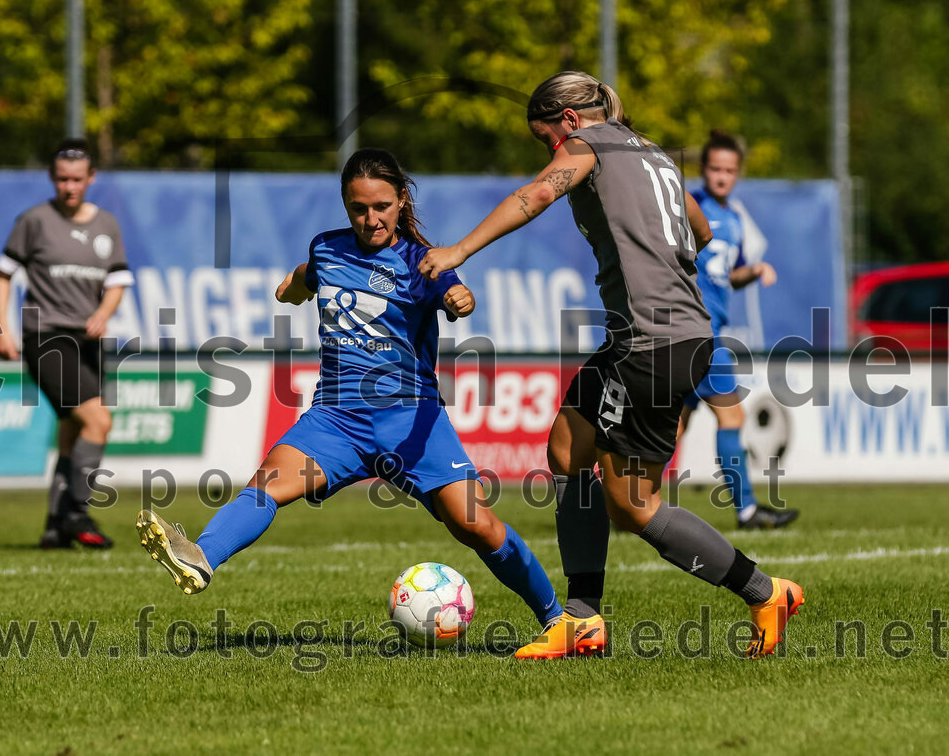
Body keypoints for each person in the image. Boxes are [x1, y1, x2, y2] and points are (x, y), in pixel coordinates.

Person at [418, 71, 803, 659]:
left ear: (569, 121)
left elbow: (536, 194)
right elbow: (701, 230)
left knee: (633, 505)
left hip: (651, 340)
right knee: (567, 451)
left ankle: (764, 591)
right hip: (659, 332)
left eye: (547, 139)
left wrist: (458, 251)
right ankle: (582, 618)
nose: (553, 153)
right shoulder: (655, 154)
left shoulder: (587, 143)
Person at [136, 148, 564, 634]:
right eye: (359, 208)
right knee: (266, 487)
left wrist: (458, 298)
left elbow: (451, 293)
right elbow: (309, 276)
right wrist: (292, 288)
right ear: (345, 205)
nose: (370, 218)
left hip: (411, 422)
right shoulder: (327, 248)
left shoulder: (424, 263)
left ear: (402, 201)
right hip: (336, 419)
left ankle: (556, 617)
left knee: (476, 526)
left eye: (381, 206)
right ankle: (201, 556)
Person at [0, 138, 133, 549]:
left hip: (88, 341)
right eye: (61, 179)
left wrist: (104, 313)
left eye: (76, 179)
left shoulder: (106, 224)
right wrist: (2, 327)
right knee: (98, 421)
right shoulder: (33, 220)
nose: (68, 187)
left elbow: (118, 282)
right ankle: (77, 513)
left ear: (91, 178)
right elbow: (4, 276)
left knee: (72, 430)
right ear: (52, 178)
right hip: (46, 337)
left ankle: (55, 525)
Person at [677, 130, 799, 529]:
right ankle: (746, 510)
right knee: (732, 418)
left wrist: (755, 270)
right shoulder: (689, 208)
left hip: (698, 333)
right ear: (703, 170)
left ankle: (626, 502)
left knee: (673, 426)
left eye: (729, 170)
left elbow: (728, 274)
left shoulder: (733, 219)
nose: (722, 176)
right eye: (715, 168)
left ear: (738, 173)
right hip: (700, 332)